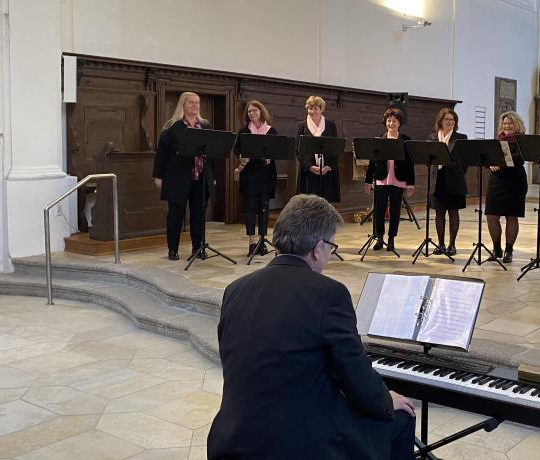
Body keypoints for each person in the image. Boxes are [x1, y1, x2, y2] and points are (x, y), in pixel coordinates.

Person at [207, 194, 416, 459]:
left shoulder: (235, 290)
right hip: (295, 444)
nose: (329, 255)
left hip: (232, 436)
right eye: (331, 248)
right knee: (399, 420)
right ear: (318, 248)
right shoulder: (329, 294)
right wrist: (386, 401)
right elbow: (355, 375)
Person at [152, 92, 214, 261]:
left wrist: (211, 177)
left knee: (198, 214)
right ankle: (173, 250)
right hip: (177, 177)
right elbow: (161, 154)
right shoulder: (172, 128)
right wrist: (158, 176)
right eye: (191, 103)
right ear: (183, 105)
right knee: (176, 215)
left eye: (197, 103)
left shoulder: (205, 126)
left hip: (200, 178)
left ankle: (198, 248)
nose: (195, 106)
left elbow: (212, 154)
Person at [365, 108, 415, 253]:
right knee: (379, 211)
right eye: (389, 121)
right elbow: (372, 162)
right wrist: (368, 181)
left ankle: (391, 239)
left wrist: (411, 184)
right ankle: (379, 238)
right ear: (385, 122)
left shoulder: (406, 140)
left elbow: (410, 164)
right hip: (381, 179)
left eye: (394, 121)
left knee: (395, 211)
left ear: (399, 123)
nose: (391, 123)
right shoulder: (380, 140)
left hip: (399, 180)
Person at [235, 100, 278, 257]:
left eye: (254, 111)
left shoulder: (271, 131)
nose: (251, 113)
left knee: (264, 208)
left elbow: (276, 151)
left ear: (261, 112)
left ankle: (262, 241)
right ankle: (252, 243)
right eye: (249, 112)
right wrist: (241, 157)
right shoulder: (244, 131)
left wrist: (270, 157)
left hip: (266, 174)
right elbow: (237, 149)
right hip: (249, 174)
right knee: (250, 209)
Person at [486, 112, 528, 264]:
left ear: (517, 124)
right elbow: (486, 157)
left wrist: (500, 162)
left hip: (515, 180)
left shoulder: (522, 140)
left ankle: (509, 250)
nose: (507, 126)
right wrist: (490, 163)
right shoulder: (497, 140)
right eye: (505, 123)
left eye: (510, 123)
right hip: (497, 181)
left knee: (512, 215)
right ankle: (497, 249)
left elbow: (518, 159)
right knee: (491, 215)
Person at [429, 108, 467, 256]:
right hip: (437, 180)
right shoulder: (432, 138)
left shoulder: (461, 138)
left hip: (454, 180)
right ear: (440, 121)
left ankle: (452, 244)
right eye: (447, 120)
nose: (450, 122)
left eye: (453, 120)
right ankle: (440, 244)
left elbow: (465, 162)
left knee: (453, 212)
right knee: (439, 213)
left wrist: (458, 174)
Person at [296, 95, 341, 203]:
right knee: (308, 204)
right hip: (309, 172)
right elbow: (298, 150)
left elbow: (336, 148)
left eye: (316, 108)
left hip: (327, 171)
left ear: (321, 109)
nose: (312, 111)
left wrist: (329, 166)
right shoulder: (301, 126)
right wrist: (310, 167)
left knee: (326, 204)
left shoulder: (330, 126)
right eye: (310, 108)